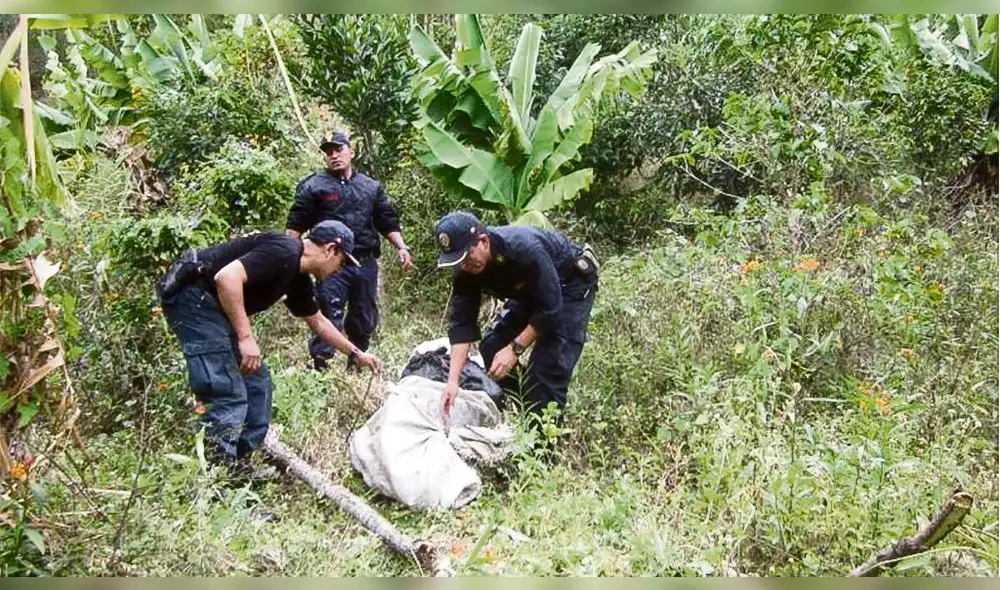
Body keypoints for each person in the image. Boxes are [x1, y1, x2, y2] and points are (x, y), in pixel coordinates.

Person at [156, 220, 382, 476]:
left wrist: (356, 353)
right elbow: (226, 278)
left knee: (257, 383)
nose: (339, 270)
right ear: (330, 250)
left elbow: (318, 322)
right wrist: (245, 338)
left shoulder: (298, 280)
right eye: (342, 262)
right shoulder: (284, 250)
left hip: (215, 309)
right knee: (225, 389)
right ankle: (214, 478)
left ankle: (237, 465)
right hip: (192, 298)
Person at [434, 211, 599, 426]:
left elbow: (551, 309)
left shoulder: (523, 249)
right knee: (492, 348)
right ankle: (530, 406)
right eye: (458, 261)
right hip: (529, 291)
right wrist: (452, 383)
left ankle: (543, 447)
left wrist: (514, 349)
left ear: (483, 241)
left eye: (467, 257)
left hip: (569, 284)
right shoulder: (467, 272)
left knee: (547, 369)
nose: (465, 266)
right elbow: (461, 326)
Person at [285, 131, 413, 371]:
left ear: (351, 152)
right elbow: (296, 224)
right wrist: (286, 260)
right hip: (331, 264)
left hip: (364, 261)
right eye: (328, 152)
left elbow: (386, 220)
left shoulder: (370, 187)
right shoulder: (314, 185)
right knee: (328, 311)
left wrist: (401, 247)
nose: (334, 155)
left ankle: (357, 365)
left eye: (339, 149)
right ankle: (320, 370)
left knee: (363, 316)